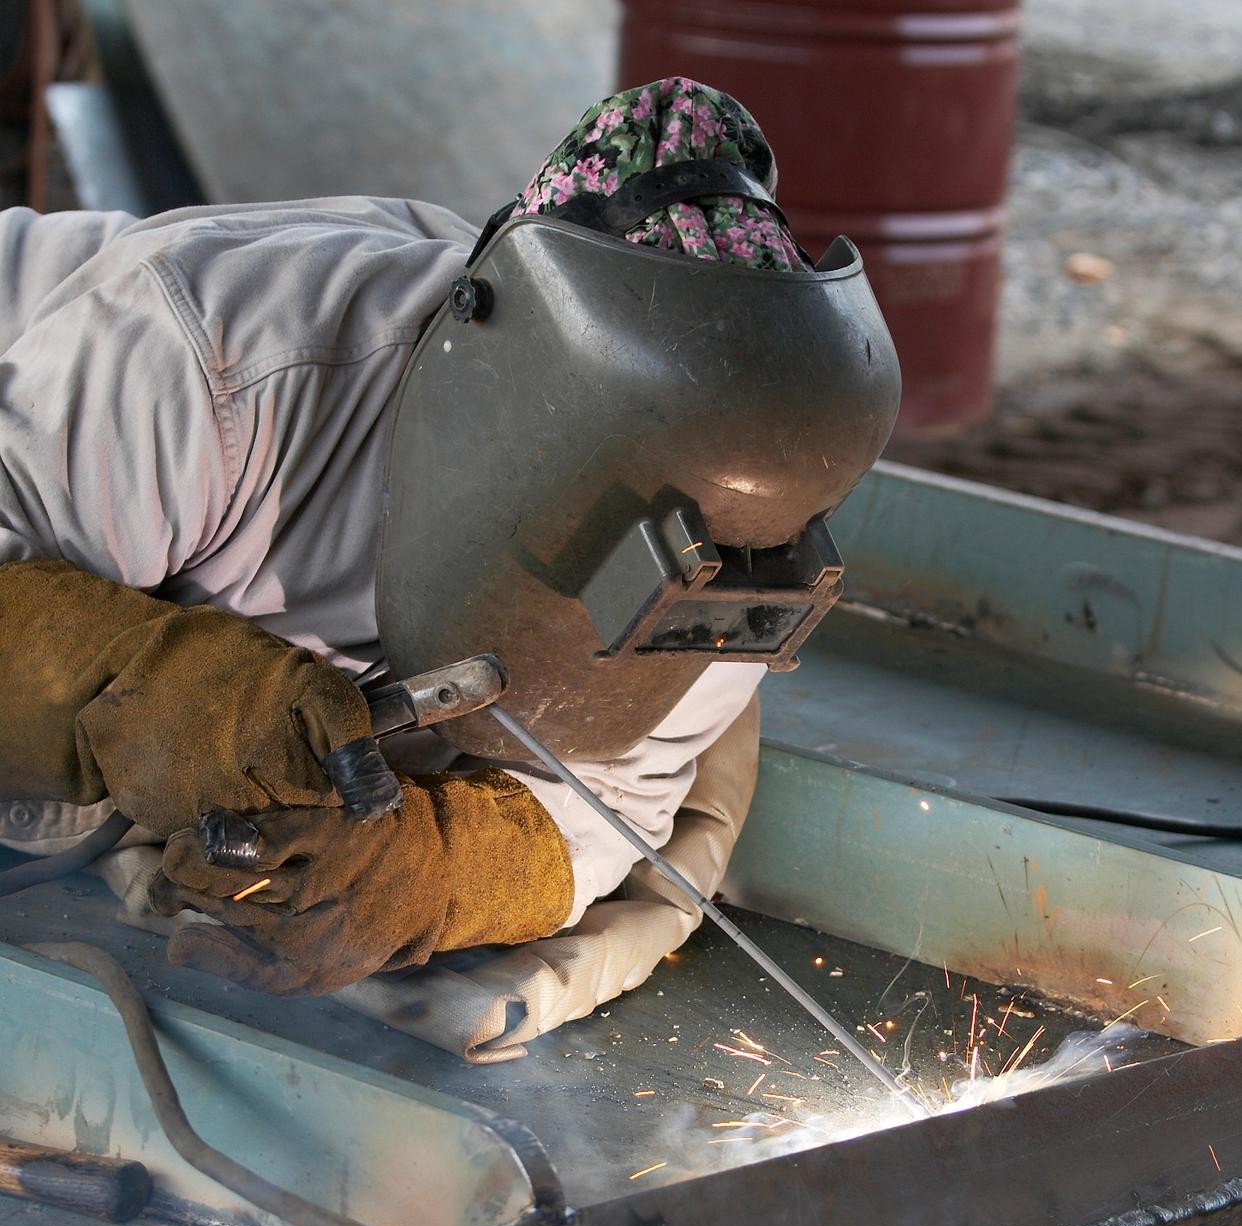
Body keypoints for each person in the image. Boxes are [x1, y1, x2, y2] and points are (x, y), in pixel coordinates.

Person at [0, 80, 896, 1047]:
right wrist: (155, 684)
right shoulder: (221, 361)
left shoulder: (740, 549)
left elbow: (611, 809)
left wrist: (428, 868)